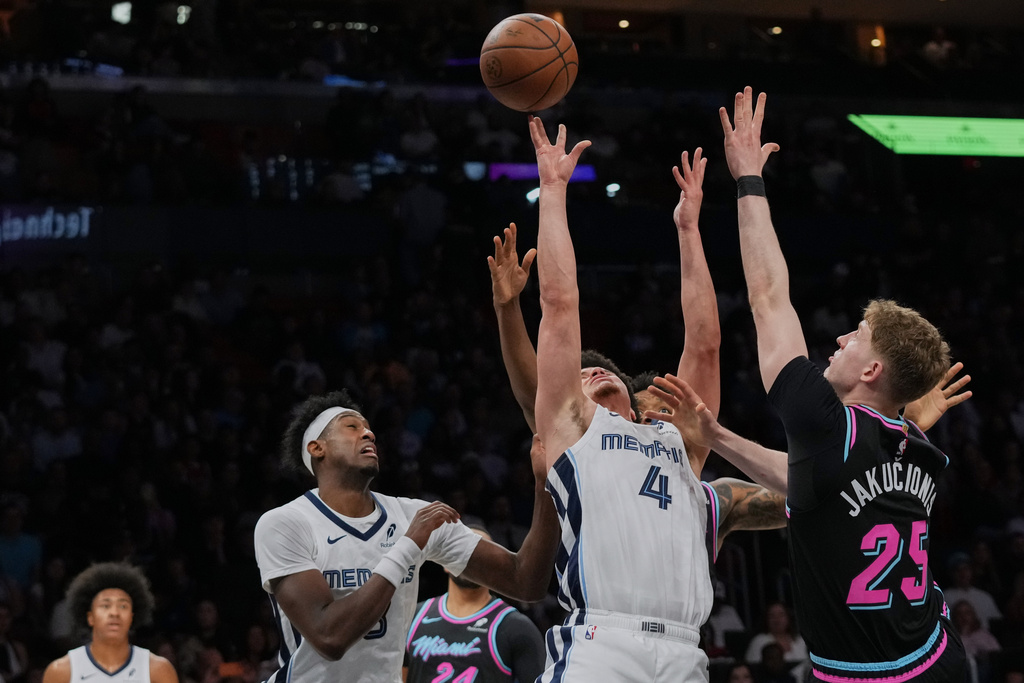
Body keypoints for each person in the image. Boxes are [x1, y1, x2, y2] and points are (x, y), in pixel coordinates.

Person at [709, 85, 966, 681]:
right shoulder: (918, 449)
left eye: (854, 338)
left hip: (868, 671)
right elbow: (808, 481)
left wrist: (748, 180)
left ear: (873, 372)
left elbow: (769, 298)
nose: (839, 342)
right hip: (936, 652)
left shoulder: (833, 425)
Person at [524, 114, 715, 682]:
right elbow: (559, 304)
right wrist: (554, 192)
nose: (588, 374)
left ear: (636, 401)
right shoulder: (572, 434)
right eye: (578, 375)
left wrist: (688, 230)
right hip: (603, 643)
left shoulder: (675, 436)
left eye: (599, 372)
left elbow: (704, 345)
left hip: (686, 650)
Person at [253, 390, 559, 683]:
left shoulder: (413, 515)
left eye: (369, 428)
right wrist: (408, 546)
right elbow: (330, 637)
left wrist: (545, 485)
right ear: (317, 448)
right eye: (351, 426)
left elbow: (526, 582)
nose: (368, 433)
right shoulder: (285, 524)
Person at [405, 525, 544, 683]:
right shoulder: (412, 617)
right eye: (462, 550)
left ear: (495, 566)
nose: (470, 559)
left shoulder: (516, 627)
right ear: (443, 561)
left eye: (480, 554)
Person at [41, 562, 179, 683]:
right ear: (90, 617)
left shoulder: (158, 669)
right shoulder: (61, 671)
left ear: (132, 617)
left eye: (123, 606)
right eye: (105, 606)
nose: (114, 613)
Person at [743, 602, 809, 682]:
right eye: (772, 616)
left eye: (781, 615)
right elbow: (751, 669)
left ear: (788, 617)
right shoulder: (759, 641)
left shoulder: (800, 640)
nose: (777, 619)